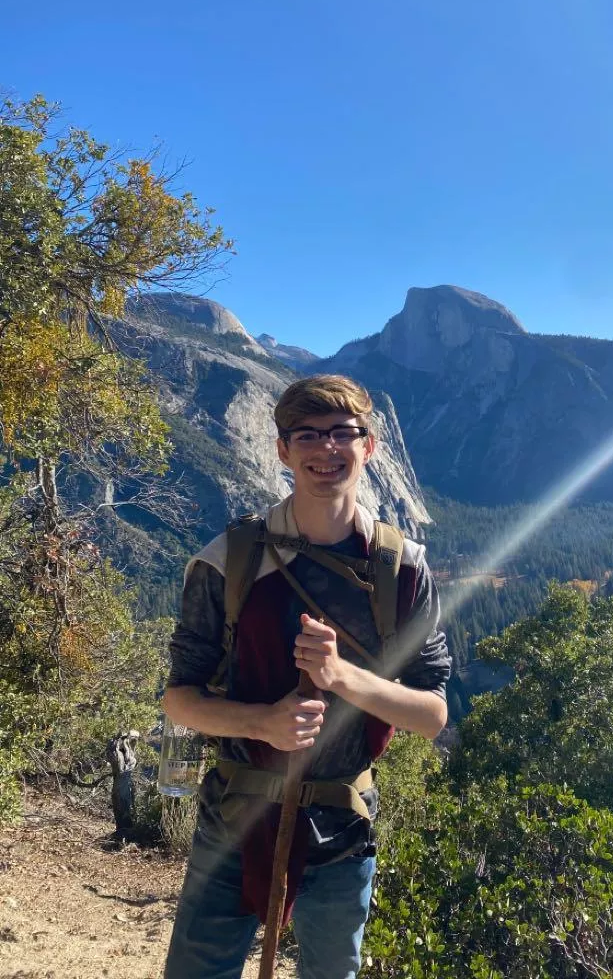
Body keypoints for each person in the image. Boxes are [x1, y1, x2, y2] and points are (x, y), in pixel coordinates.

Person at [163, 374, 452, 979]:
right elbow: (180, 699)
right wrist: (262, 723)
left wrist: (341, 675)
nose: (326, 449)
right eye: (307, 436)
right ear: (282, 451)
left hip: (343, 821)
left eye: (342, 433)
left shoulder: (402, 569)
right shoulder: (229, 560)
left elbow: (431, 714)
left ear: (369, 446)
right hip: (234, 813)